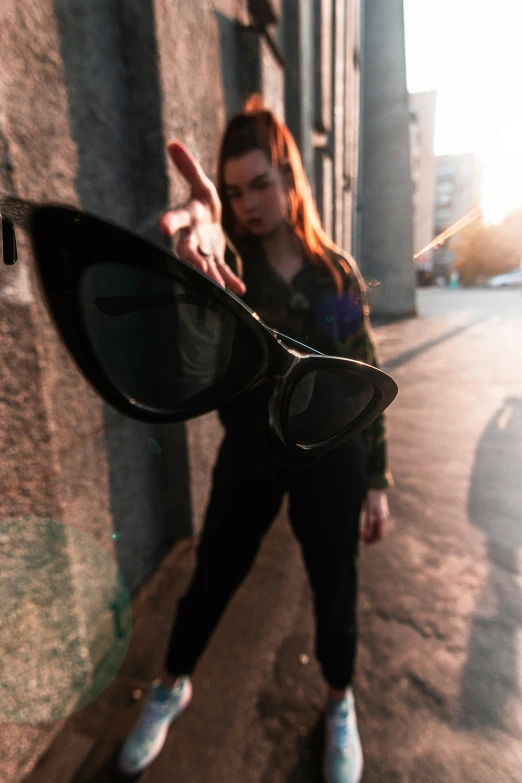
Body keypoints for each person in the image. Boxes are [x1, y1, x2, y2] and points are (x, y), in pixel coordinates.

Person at [118, 94, 393, 783]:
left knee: (335, 584)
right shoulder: (227, 273)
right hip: (250, 455)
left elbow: (367, 377)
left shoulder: (336, 274)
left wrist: (378, 479)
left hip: (332, 460)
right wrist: (199, 239)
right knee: (212, 574)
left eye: (260, 184)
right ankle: (172, 682)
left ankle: (338, 702)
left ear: (289, 177)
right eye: (233, 192)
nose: (246, 203)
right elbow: (186, 344)